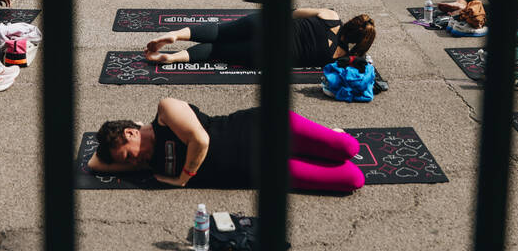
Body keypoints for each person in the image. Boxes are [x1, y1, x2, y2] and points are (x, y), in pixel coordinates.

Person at [89, 98, 364, 193]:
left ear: (130, 132)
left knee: (347, 148)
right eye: (125, 162)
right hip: (265, 171)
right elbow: (94, 163)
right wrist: (122, 153)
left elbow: (200, 140)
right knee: (353, 178)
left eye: (128, 156)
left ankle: (330, 135)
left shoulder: (166, 112)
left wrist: (182, 180)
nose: (131, 163)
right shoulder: (147, 162)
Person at [143, 9, 374, 67]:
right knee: (217, 52)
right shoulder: (337, 57)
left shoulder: (331, 16)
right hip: (269, 53)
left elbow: (292, 13)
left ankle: (176, 34)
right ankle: (173, 59)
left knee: (221, 30)